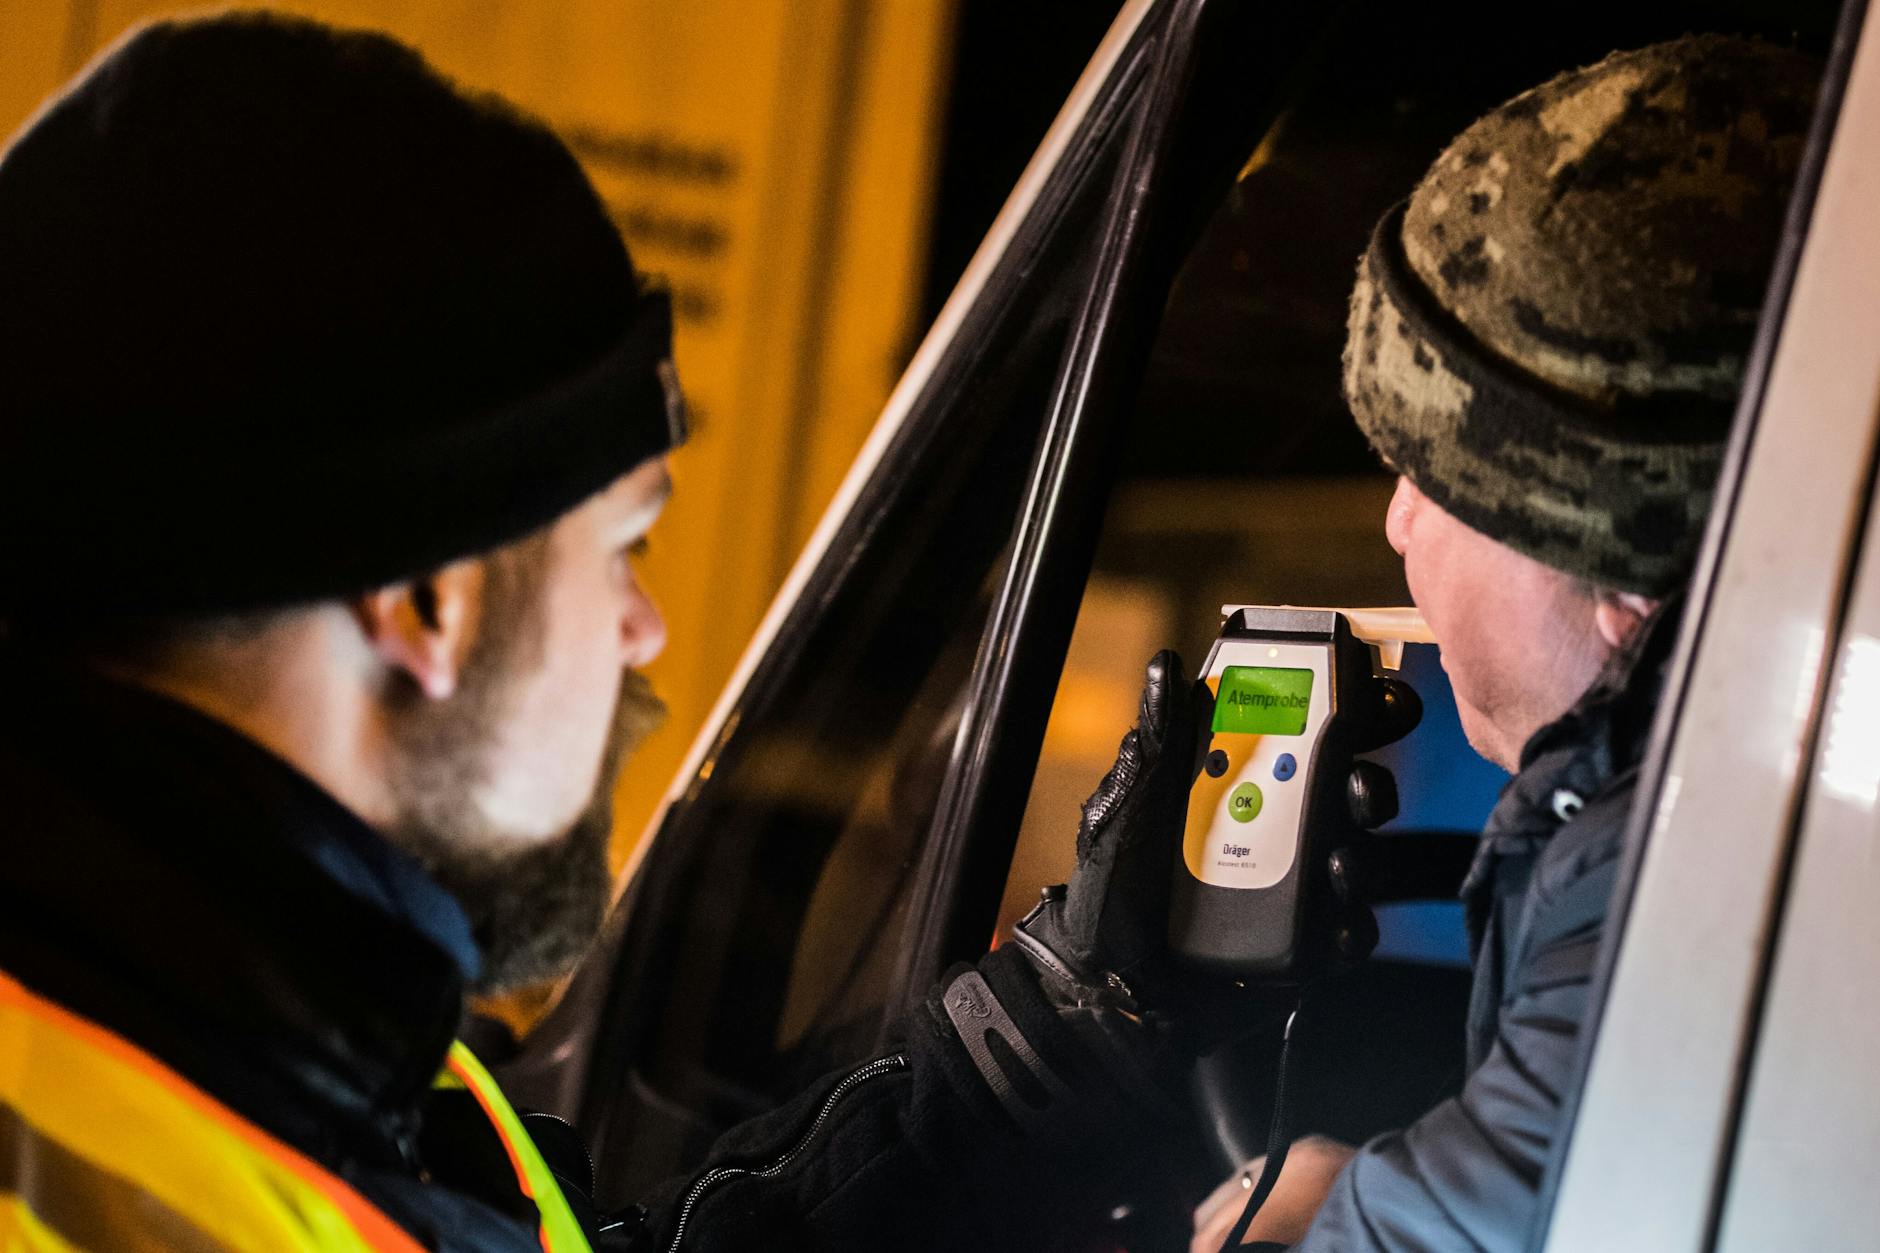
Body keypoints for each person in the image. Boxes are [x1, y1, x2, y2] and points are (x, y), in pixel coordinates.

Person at [0, 13, 1312, 1252]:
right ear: (430, 603)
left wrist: (1055, 1038)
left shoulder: (238, 1048)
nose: (642, 629)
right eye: (622, 546)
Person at [1191, 34, 1820, 1251]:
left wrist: (1303, 1221)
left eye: (1436, 481)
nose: (1396, 523)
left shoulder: (1680, 876)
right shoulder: (1749, 799)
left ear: (1618, 574)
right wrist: (1366, 1182)